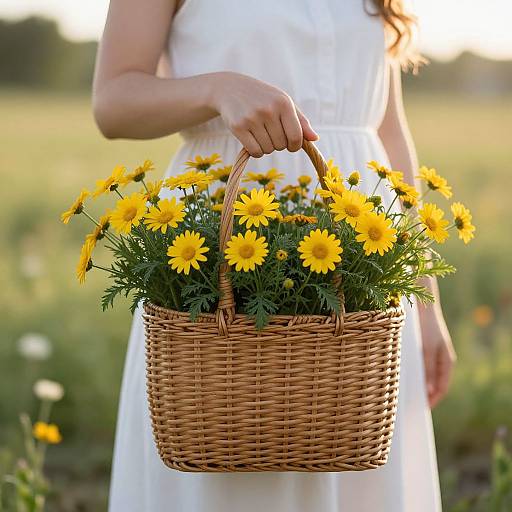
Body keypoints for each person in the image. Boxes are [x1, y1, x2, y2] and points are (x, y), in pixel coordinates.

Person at [93, 1, 456, 510]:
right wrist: (217, 89)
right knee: (232, 462)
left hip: (363, 245)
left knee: (358, 465)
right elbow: (112, 102)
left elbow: (388, 128)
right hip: (223, 227)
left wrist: (426, 302)